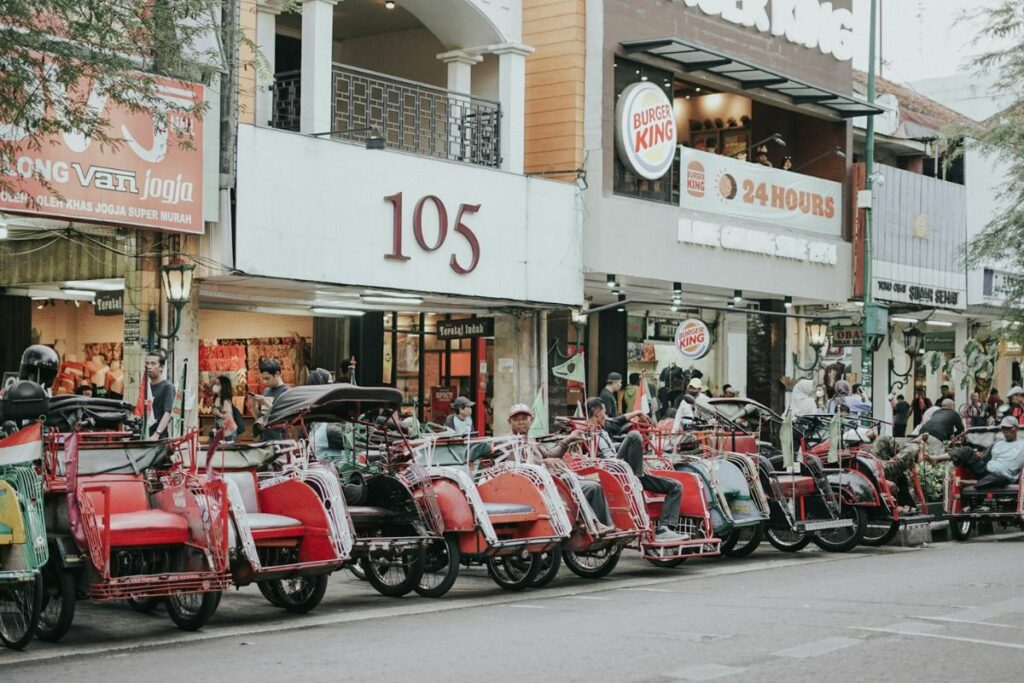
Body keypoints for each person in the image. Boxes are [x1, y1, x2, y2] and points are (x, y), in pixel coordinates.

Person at [584, 397, 686, 542]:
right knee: (634, 435)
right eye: (604, 412)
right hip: (613, 470)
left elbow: (620, 420)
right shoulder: (587, 433)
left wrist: (637, 412)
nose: (606, 415)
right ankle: (638, 476)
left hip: (626, 469)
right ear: (596, 413)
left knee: (676, 486)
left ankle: (665, 528)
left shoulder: (605, 427)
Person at [506, 404, 614, 534]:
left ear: (532, 420)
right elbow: (518, 465)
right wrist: (543, 463)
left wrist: (568, 440)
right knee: (568, 482)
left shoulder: (531, 441)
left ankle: (607, 527)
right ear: (509, 422)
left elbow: (550, 455)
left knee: (593, 486)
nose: (521, 422)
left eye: (524, 418)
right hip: (532, 487)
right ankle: (594, 523)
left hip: (550, 482)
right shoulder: (506, 444)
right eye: (516, 419)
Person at [924, 416, 1024, 490]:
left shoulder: (1022, 445)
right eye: (1003, 428)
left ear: (1016, 428)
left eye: (1008, 428)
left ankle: (973, 482)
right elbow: (983, 458)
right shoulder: (997, 444)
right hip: (986, 471)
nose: (1005, 431)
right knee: (967, 450)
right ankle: (936, 459)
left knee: (999, 478)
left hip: (1003, 476)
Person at [251, 358, 290, 441]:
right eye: (263, 378)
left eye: (267, 378)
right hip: (264, 438)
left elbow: (283, 416)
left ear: (277, 374)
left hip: (279, 440)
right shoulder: (266, 391)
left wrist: (265, 402)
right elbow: (259, 417)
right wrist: (253, 404)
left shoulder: (286, 391)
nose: (264, 382)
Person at [145, 350, 175, 439]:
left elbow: (168, 413)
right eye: (147, 363)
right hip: (144, 434)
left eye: (153, 363)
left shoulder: (168, 387)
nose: (149, 367)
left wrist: (157, 434)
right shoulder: (146, 387)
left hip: (159, 438)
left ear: (161, 367)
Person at [210, 375, 239, 442]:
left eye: (218, 384)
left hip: (228, 433)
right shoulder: (217, 398)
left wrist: (219, 414)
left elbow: (228, 417)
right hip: (221, 431)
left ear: (224, 386)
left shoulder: (226, 401)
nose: (215, 386)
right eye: (215, 384)